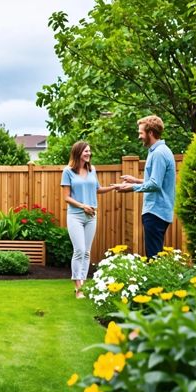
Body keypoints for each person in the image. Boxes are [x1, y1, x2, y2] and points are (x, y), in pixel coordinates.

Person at [112, 115, 176, 259]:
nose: (139, 136)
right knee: (154, 255)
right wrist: (136, 180)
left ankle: (156, 282)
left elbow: (155, 185)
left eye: (141, 133)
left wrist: (131, 188)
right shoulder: (159, 151)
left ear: (151, 133)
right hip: (158, 211)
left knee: (153, 257)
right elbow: (156, 181)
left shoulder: (159, 153)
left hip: (155, 211)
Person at [61, 141, 116, 298]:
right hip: (75, 216)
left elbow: (97, 189)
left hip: (91, 216)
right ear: (78, 152)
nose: (88, 154)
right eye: (86, 151)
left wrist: (113, 187)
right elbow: (66, 197)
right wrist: (83, 206)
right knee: (79, 250)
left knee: (86, 252)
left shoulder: (92, 170)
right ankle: (78, 287)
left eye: (89, 151)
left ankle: (82, 283)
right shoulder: (68, 171)